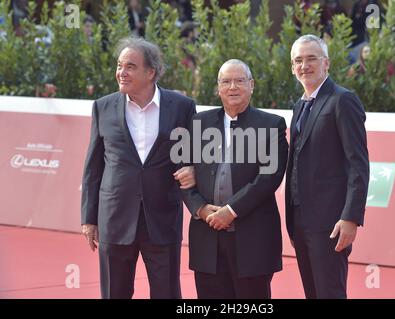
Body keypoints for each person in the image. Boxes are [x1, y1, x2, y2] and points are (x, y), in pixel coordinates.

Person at [80, 36, 196, 299]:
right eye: (120, 65)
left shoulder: (182, 107)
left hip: (162, 218)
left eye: (130, 66)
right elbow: (93, 167)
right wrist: (89, 218)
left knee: (167, 293)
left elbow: (193, 156)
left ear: (151, 72)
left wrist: (196, 170)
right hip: (115, 218)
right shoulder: (103, 107)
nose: (121, 72)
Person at [182, 59, 288, 299]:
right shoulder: (199, 123)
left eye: (239, 81)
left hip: (252, 237)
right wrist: (200, 209)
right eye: (226, 81)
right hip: (206, 236)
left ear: (251, 85)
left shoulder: (271, 125)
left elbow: (269, 177)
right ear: (218, 88)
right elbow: (183, 172)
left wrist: (230, 210)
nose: (233, 87)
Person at [286, 34, 369, 299]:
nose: (304, 66)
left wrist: (351, 217)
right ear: (292, 67)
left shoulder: (342, 100)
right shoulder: (300, 106)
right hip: (299, 220)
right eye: (298, 60)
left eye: (311, 59)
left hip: (330, 222)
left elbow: (358, 163)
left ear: (326, 64)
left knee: (330, 293)